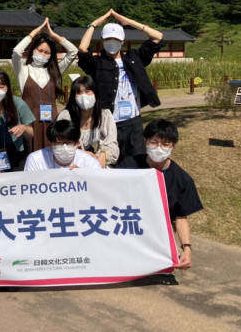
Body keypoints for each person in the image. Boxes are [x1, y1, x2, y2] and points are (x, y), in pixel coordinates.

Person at [115, 119, 203, 269]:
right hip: (125, 230)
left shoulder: (182, 180)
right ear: (145, 141)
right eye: (154, 142)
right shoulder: (128, 165)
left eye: (165, 144)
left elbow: (180, 217)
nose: (159, 148)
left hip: (156, 238)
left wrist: (187, 249)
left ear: (173, 146)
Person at [78, 9, 165, 160]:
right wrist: (94, 24)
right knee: (112, 161)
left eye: (116, 39)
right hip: (110, 122)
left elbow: (158, 37)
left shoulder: (135, 58)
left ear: (122, 41)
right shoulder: (97, 63)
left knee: (137, 161)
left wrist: (129, 22)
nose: (112, 42)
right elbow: (82, 49)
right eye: (108, 39)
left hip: (134, 121)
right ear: (102, 41)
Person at [12, 17, 78, 152]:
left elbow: (73, 52)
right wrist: (34, 33)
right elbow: (17, 52)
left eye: (47, 52)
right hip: (29, 123)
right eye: (39, 50)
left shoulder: (54, 71)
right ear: (32, 50)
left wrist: (54, 36)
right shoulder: (23, 71)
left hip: (52, 121)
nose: (42, 54)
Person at [57, 76, 119, 168]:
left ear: (95, 94)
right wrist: (81, 155)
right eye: (79, 93)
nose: (83, 96)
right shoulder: (66, 117)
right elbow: (60, 144)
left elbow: (112, 143)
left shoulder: (104, 116)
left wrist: (103, 155)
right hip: (72, 163)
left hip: (97, 164)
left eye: (87, 91)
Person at [24, 120, 102, 170]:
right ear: (51, 145)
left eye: (69, 143)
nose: (64, 147)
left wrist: (84, 178)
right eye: (59, 143)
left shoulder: (91, 164)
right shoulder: (35, 160)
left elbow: (97, 190)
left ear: (77, 144)